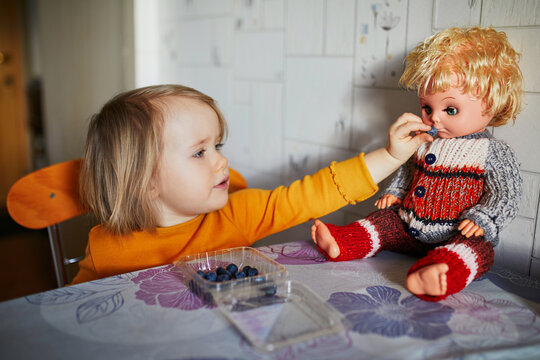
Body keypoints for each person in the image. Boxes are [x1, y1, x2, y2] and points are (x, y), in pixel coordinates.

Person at [71, 84, 433, 284]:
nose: (221, 160)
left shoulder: (238, 213)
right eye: (199, 153)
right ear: (144, 183)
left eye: (218, 146)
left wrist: (391, 154)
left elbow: (315, 192)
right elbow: (72, 312)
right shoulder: (106, 249)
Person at [312, 26, 523, 302]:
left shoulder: (491, 151)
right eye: (427, 107)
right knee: (384, 223)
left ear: (490, 104)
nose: (434, 118)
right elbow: (408, 170)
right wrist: (395, 192)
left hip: (455, 231)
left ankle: (442, 271)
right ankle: (346, 242)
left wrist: (484, 219)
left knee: (477, 249)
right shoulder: (423, 140)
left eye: (450, 109)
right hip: (410, 225)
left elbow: (506, 193)